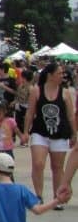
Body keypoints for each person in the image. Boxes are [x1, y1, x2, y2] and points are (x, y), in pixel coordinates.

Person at [23, 61, 76, 208]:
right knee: (38, 163)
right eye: (59, 73)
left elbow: (70, 116)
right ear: (50, 75)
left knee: (57, 167)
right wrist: (25, 131)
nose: (62, 76)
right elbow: (30, 113)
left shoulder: (65, 92)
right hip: (40, 132)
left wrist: (74, 133)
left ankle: (56, 198)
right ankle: (38, 196)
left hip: (60, 134)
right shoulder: (36, 91)